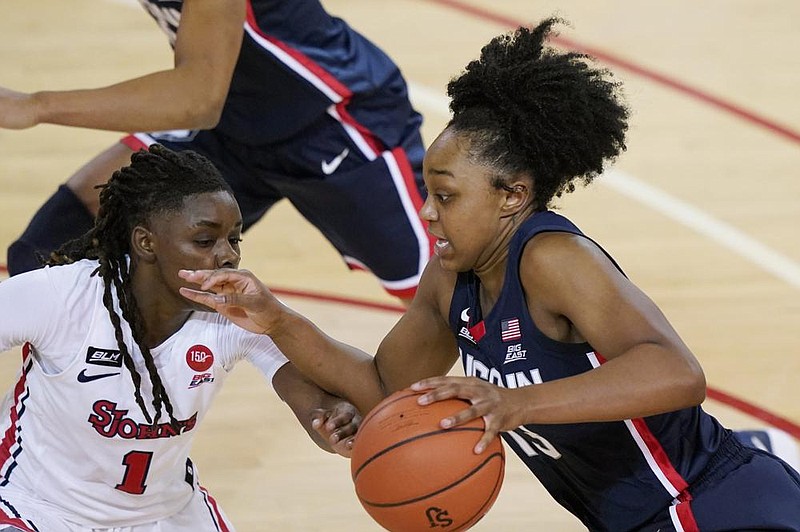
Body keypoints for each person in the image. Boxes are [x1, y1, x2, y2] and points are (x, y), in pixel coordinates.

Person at [179, 19, 800, 531]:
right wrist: (276, 319)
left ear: (512, 195)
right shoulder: (451, 278)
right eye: (428, 191)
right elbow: (382, 387)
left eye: (445, 195)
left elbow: (677, 373)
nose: (427, 211)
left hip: (712, 504)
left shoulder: (553, 258)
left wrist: (516, 402)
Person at [0, 145, 360, 531]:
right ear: (146, 243)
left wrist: (334, 422)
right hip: (36, 508)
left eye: (234, 240)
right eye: (205, 242)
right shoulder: (65, 297)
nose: (227, 257)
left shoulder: (235, 317)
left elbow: (314, 403)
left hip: (166, 514)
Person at [1, 0, 431, 303]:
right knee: (54, 244)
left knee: (449, 295)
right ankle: (91, 401)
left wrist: (35, 106)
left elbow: (198, 96)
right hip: (230, 121)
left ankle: (497, 401)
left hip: (332, 125)